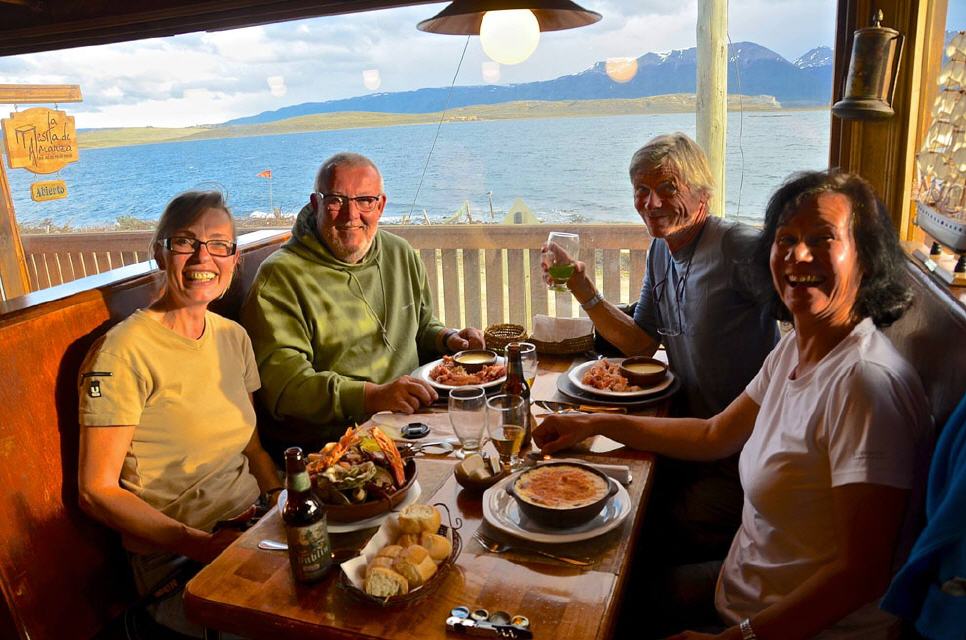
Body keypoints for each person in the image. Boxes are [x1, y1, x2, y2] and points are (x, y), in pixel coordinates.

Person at [535, 170, 932, 639]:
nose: (798, 255)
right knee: (589, 591)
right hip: (739, 590)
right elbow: (713, 434)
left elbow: (861, 575)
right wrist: (591, 422)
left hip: (800, 628)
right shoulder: (797, 349)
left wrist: (737, 638)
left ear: (866, 256)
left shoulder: (865, 385)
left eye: (823, 238)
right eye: (786, 238)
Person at [544, 132, 780, 560]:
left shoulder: (738, 247)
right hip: (688, 435)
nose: (652, 203)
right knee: (582, 487)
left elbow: (803, 317)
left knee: (635, 524)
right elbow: (640, 341)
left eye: (667, 188)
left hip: (743, 455)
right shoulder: (660, 249)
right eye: (641, 191)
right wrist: (581, 286)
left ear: (702, 191)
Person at [77, 191, 282, 638]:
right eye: (186, 242)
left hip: (255, 527)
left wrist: (282, 502)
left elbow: (252, 448)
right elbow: (95, 491)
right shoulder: (122, 351)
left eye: (219, 244)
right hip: (178, 558)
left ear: (233, 258)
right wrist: (204, 546)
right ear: (160, 252)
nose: (203, 257)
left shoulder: (233, 337)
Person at [241, 152, 484, 459]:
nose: (350, 215)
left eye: (364, 200)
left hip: (415, 424)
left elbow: (420, 325)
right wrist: (373, 396)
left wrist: (448, 338)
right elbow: (287, 389)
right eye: (336, 201)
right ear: (316, 204)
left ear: (380, 205)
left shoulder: (400, 252)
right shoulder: (280, 277)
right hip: (336, 449)